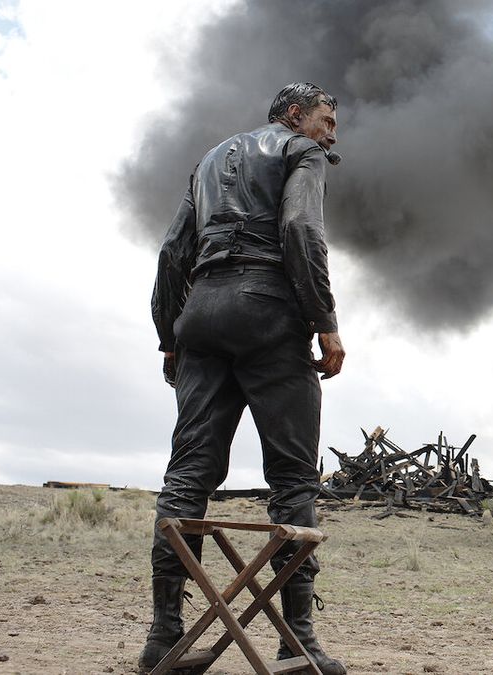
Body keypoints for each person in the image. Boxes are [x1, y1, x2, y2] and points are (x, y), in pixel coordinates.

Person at [141, 82, 347, 675]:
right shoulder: (301, 152)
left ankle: (164, 638)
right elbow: (301, 231)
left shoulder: (209, 160)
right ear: (294, 115)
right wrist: (325, 322)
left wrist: (169, 335)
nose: (331, 134)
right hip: (268, 313)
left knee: (186, 477)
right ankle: (297, 642)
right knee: (293, 478)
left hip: (201, 314)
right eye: (326, 120)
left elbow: (172, 252)